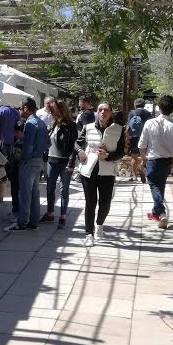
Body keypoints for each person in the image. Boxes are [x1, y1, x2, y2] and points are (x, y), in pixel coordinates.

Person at [76, 101, 125, 247]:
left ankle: (99, 224)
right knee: (90, 203)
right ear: (97, 112)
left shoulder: (118, 129)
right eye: (100, 109)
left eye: (106, 110)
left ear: (111, 113)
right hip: (88, 170)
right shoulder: (88, 127)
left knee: (105, 203)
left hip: (107, 171)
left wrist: (108, 156)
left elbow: (121, 152)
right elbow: (77, 143)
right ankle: (89, 234)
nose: (103, 112)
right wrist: (80, 151)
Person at [5, 98, 49, 232]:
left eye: (20, 108)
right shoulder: (41, 122)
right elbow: (47, 143)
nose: (19, 111)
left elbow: (28, 146)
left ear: (25, 108)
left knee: (25, 194)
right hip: (39, 161)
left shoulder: (30, 123)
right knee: (34, 193)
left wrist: (23, 159)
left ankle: (22, 223)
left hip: (29, 162)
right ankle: (33, 222)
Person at [139, 94, 173, 229]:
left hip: (152, 160)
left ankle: (162, 213)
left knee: (154, 186)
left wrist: (143, 159)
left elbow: (142, 145)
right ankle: (155, 213)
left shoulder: (150, 123)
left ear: (159, 107)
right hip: (167, 162)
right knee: (161, 186)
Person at [41, 101, 78, 228]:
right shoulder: (53, 123)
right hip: (51, 160)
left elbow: (74, 146)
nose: (52, 112)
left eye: (54, 110)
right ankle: (50, 213)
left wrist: (71, 163)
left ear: (61, 110)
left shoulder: (71, 125)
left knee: (64, 190)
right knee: (50, 188)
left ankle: (62, 217)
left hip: (64, 161)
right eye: (51, 110)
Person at [127, 98, 153, 183]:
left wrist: (128, 137)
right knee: (144, 155)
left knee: (134, 156)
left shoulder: (132, 113)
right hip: (145, 137)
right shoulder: (147, 113)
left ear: (135, 105)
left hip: (134, 137)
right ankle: (141, 167)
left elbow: (129, 126)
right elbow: (150, 126)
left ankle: (134, 176)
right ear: (144, 105)